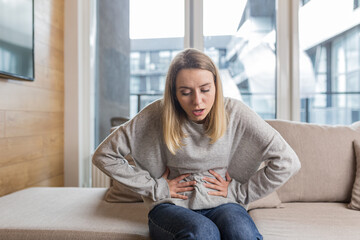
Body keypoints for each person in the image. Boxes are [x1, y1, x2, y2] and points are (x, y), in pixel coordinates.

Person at [92, 48, 301, 240]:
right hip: (171, 206)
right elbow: (104, 156)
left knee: (242, 234)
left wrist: (240, 192)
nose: (198, 101)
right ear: (174, 94)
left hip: (224, 204)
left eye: (205, 89)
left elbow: (287, 161)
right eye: (185, 92)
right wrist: (156, 187)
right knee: (203, 232)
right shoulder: (157, 114)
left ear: (217, 87)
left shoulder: (236, 113)